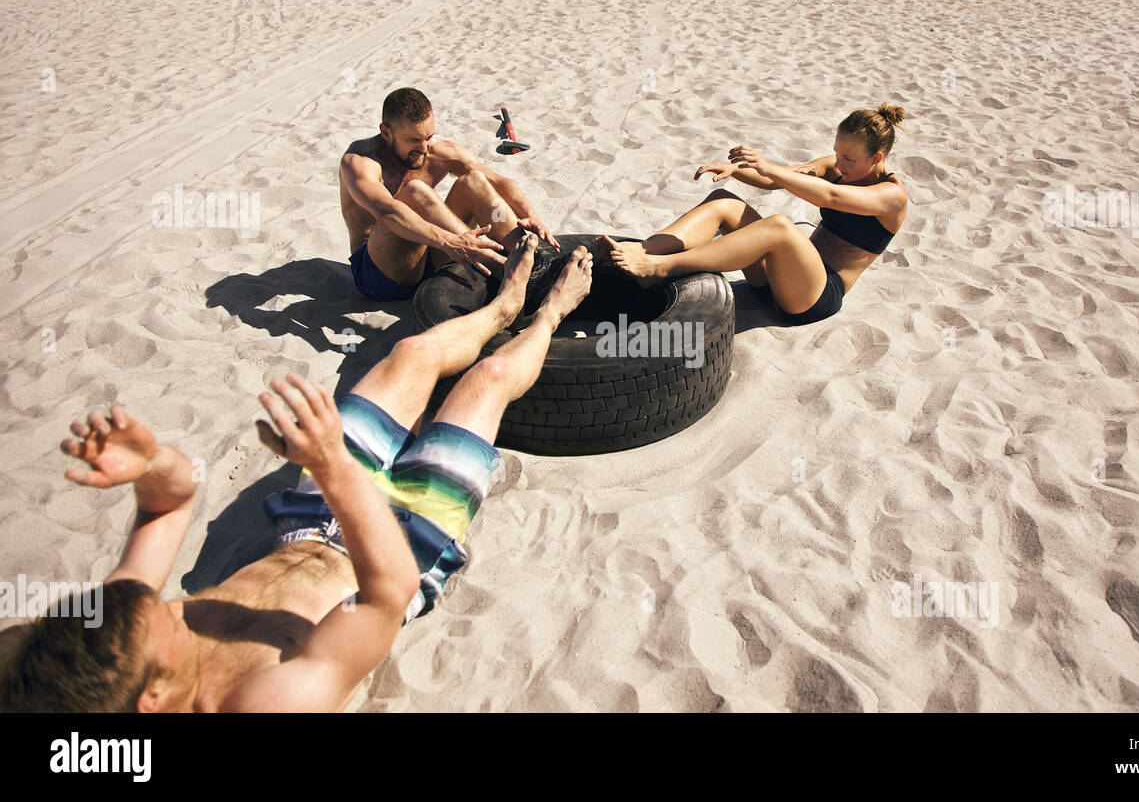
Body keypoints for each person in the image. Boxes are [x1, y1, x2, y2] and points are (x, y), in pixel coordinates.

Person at [0, 230, 594, 712]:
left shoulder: (113, 636)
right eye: (166, 618)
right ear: (152, 700)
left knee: (412, 354)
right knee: (486, 383)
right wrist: (333, 466)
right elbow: (390, 596)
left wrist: (152, 464)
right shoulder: (268, 699)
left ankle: (502, 307)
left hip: (308, 524)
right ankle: (547, 316)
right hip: (404, 547)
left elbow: (167, 505)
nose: (166, 604)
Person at [603, 104, 909, 325]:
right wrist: (736, 170)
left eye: (849, 159)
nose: (839, 163)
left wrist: (767, 165)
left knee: (780, 226)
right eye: (837, 152)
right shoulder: (837, 167)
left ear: (877, 158)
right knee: (725, 202)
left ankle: (660, 267)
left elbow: (832, 195)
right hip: (780, 277)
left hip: (814, 297)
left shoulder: (892, 197)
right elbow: (776, 178)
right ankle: (644, 252)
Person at [339, 86, 561, 301]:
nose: (425, 147)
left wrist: (529, 213)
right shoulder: (360, 162)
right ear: (386, 132)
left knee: (473, 181)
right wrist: (450, 241)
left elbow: (500, 182)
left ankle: (531, 260)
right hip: (380, 274)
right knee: (415, 191)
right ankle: (504, 270)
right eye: (414, 140)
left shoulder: (439, 152)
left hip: (430, 252)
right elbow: (387, 213)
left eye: (429, 137)